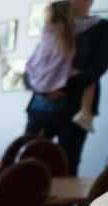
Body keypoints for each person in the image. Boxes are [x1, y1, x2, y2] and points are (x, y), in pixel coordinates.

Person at [25, 0, 108, 174]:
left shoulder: (101, 28)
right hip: (40, 106)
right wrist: (40, 90)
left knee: (67, 164)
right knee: (29, 160)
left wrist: (62, 89)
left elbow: (97, 67)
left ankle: (63, 195)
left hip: (76, 108)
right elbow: (35, 64)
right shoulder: (54, 24)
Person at [26, 2, 97, 133]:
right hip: (42, 101)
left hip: (61, 101)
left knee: (90, 79)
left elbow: (95, 69)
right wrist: (46, 92)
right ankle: (85, 112)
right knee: (89, 81)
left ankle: (85, 112)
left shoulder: (50, 31)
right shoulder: (59, 32)